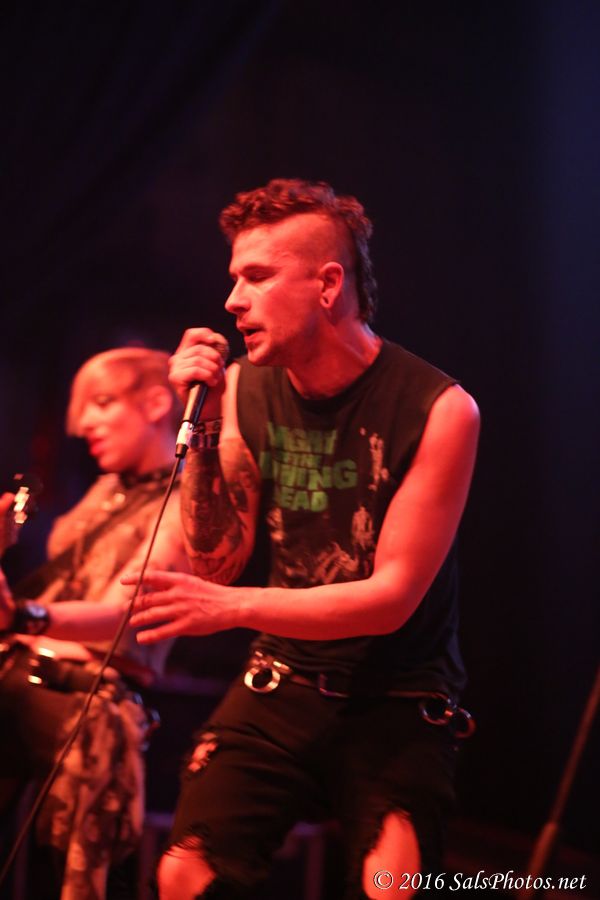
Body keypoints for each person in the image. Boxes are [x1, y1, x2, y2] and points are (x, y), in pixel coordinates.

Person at [124, 178, 480, 900]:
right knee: (185, 871)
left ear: (328, 285)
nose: (233, 301)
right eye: (234, 278)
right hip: (281, 679)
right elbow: (216, 563)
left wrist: (230, 610)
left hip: (398, 692)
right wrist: (205, 427)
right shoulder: (244, 389)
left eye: (257, 277)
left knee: (392, 884)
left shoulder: (439, 409)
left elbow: (390, 600)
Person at [0, 347, 189, 900]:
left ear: (156, 404)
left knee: (76, 881)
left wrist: (27, 616)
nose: (84, 424)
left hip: (89, 705)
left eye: (102, 403)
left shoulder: (187, 499)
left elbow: (125, 614)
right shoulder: (106, 489)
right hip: (20, 677)